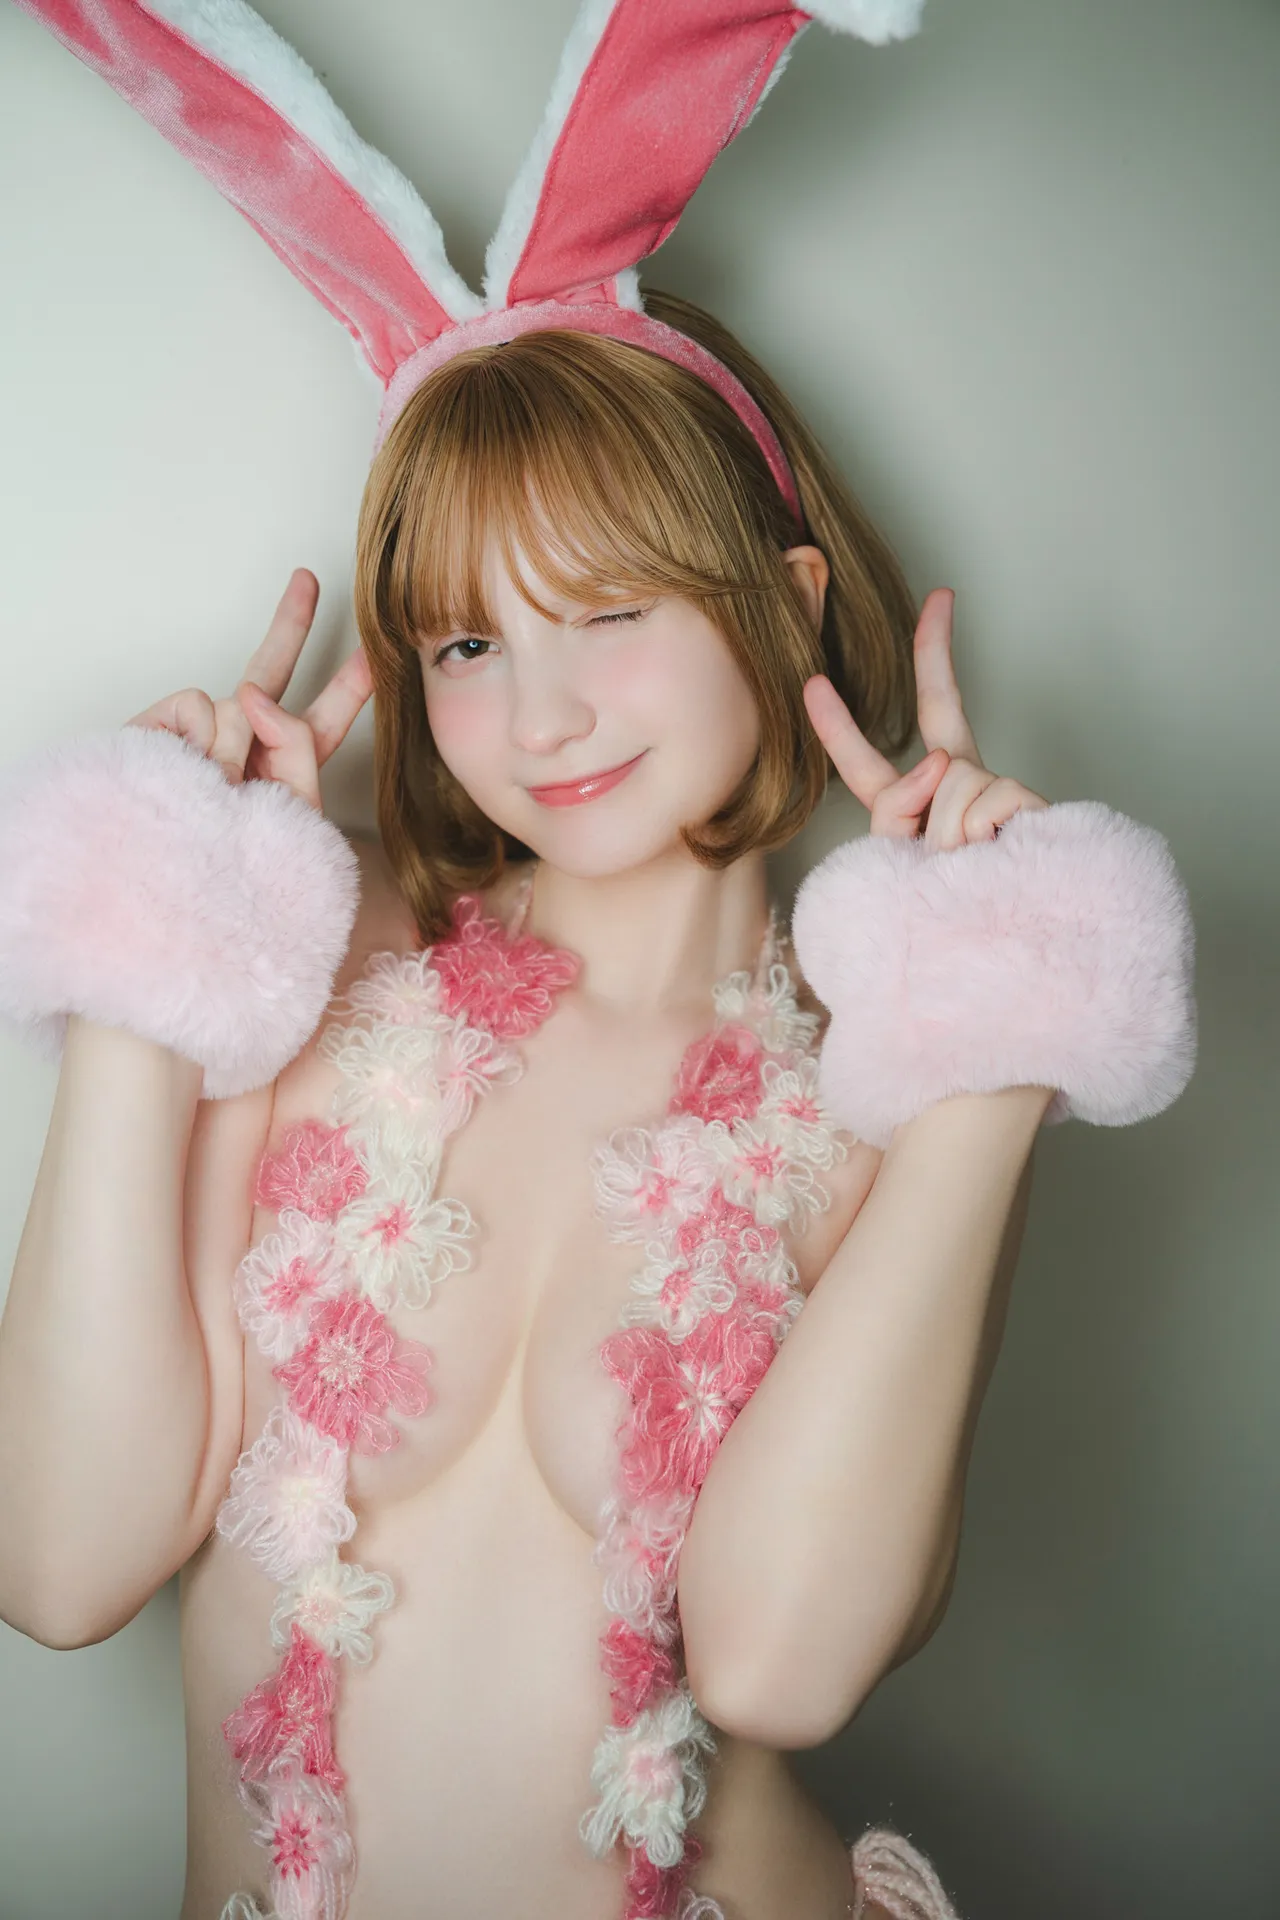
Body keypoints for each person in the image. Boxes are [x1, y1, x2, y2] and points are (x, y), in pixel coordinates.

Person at [0, 8, 1197, 1917]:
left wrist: (997, 1040)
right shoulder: (311, 975)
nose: (540, 713)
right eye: (468, 642)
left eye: (612, 609)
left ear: (780, 603)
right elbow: (60, 1567)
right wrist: (150, 939)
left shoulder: (884, 1086)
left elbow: (779, 1664)